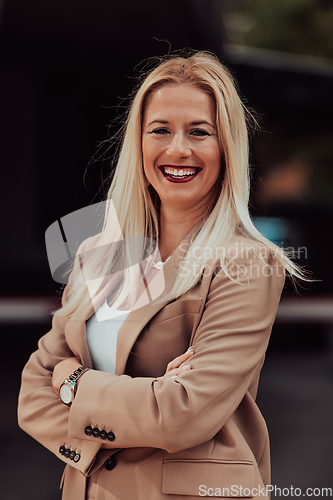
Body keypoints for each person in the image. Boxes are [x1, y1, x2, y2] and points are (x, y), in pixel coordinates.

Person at [18, 51, 304, 500]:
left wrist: (74, 384)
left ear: (226, 146)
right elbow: (33, 392)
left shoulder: (245, 264)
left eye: (199, 132)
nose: (178, 150)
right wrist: (130, 416)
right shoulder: (96, 254)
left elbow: (182, 414)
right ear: (139, 142)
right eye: (161, 130)